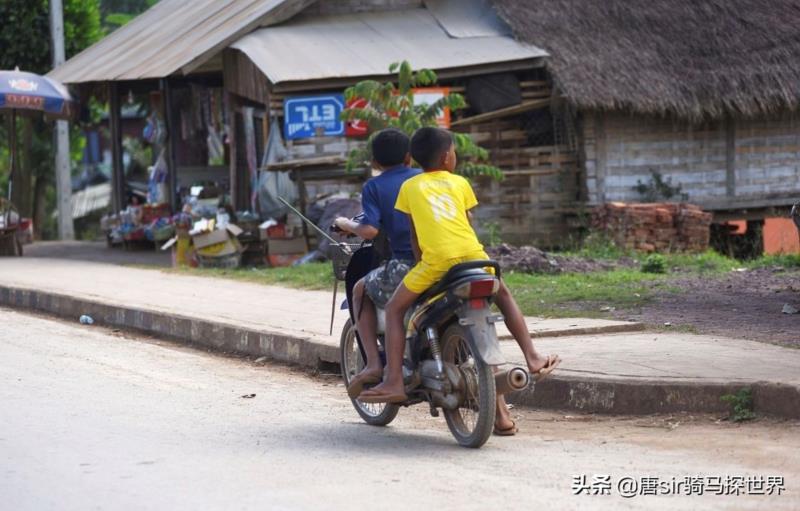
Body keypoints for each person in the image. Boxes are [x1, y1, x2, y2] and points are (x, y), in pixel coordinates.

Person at [359, 127, 560, 435]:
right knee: (504, 296)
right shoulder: (461, 182)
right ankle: (532, 356)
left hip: (435, 263)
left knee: (397, 309)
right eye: (454, 151)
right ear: (446, 157)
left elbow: (415, 238)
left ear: (415, 158)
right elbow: (466, 224)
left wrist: (424, 266)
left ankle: (394, 380)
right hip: (475, 257)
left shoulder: (409, 187)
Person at [333, 128, 421, 399]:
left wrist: (345, 223)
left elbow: (370, 230)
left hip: (410, 262)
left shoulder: (375, 186)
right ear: (409, 157)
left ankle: (373, 364)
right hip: (456, 259)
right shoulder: (424, 178)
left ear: (374, 162)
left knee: (360, 289)